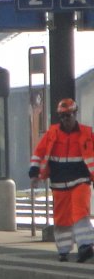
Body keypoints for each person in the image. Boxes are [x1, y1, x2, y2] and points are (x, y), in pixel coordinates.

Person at [30, 98, 94, 263]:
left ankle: (85, 246)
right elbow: (39, 152)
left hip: (80, 181)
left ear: (75, 114)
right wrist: (34, 172)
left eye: (68, 115)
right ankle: (64, 251)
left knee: (80, 213)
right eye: (62, 116)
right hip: (59, 184)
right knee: (62, 219)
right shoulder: (52, 134)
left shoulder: (86, 133)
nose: (65, 119)